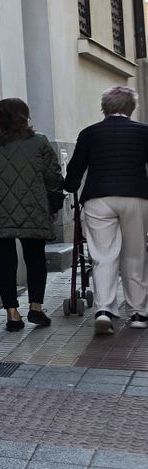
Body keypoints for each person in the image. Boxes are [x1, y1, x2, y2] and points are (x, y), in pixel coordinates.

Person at [0, 98, 63, 332]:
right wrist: (54, 205)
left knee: (5, 263)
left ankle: (12, 314)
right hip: (33, 210)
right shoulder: (38, 142)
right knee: (35, 258)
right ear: (23, 117)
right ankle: (36, 308)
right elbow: (53, 177)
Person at [63, 85, 148, 334]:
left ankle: (104, 311)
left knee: (103, 255)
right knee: (135, 255)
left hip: (98, 198)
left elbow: (74, 172)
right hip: (136, 197)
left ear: (104, 108)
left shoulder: (89, 133)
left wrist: (70, 186)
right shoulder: (144, 132)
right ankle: (138, 313)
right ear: (131, 108)